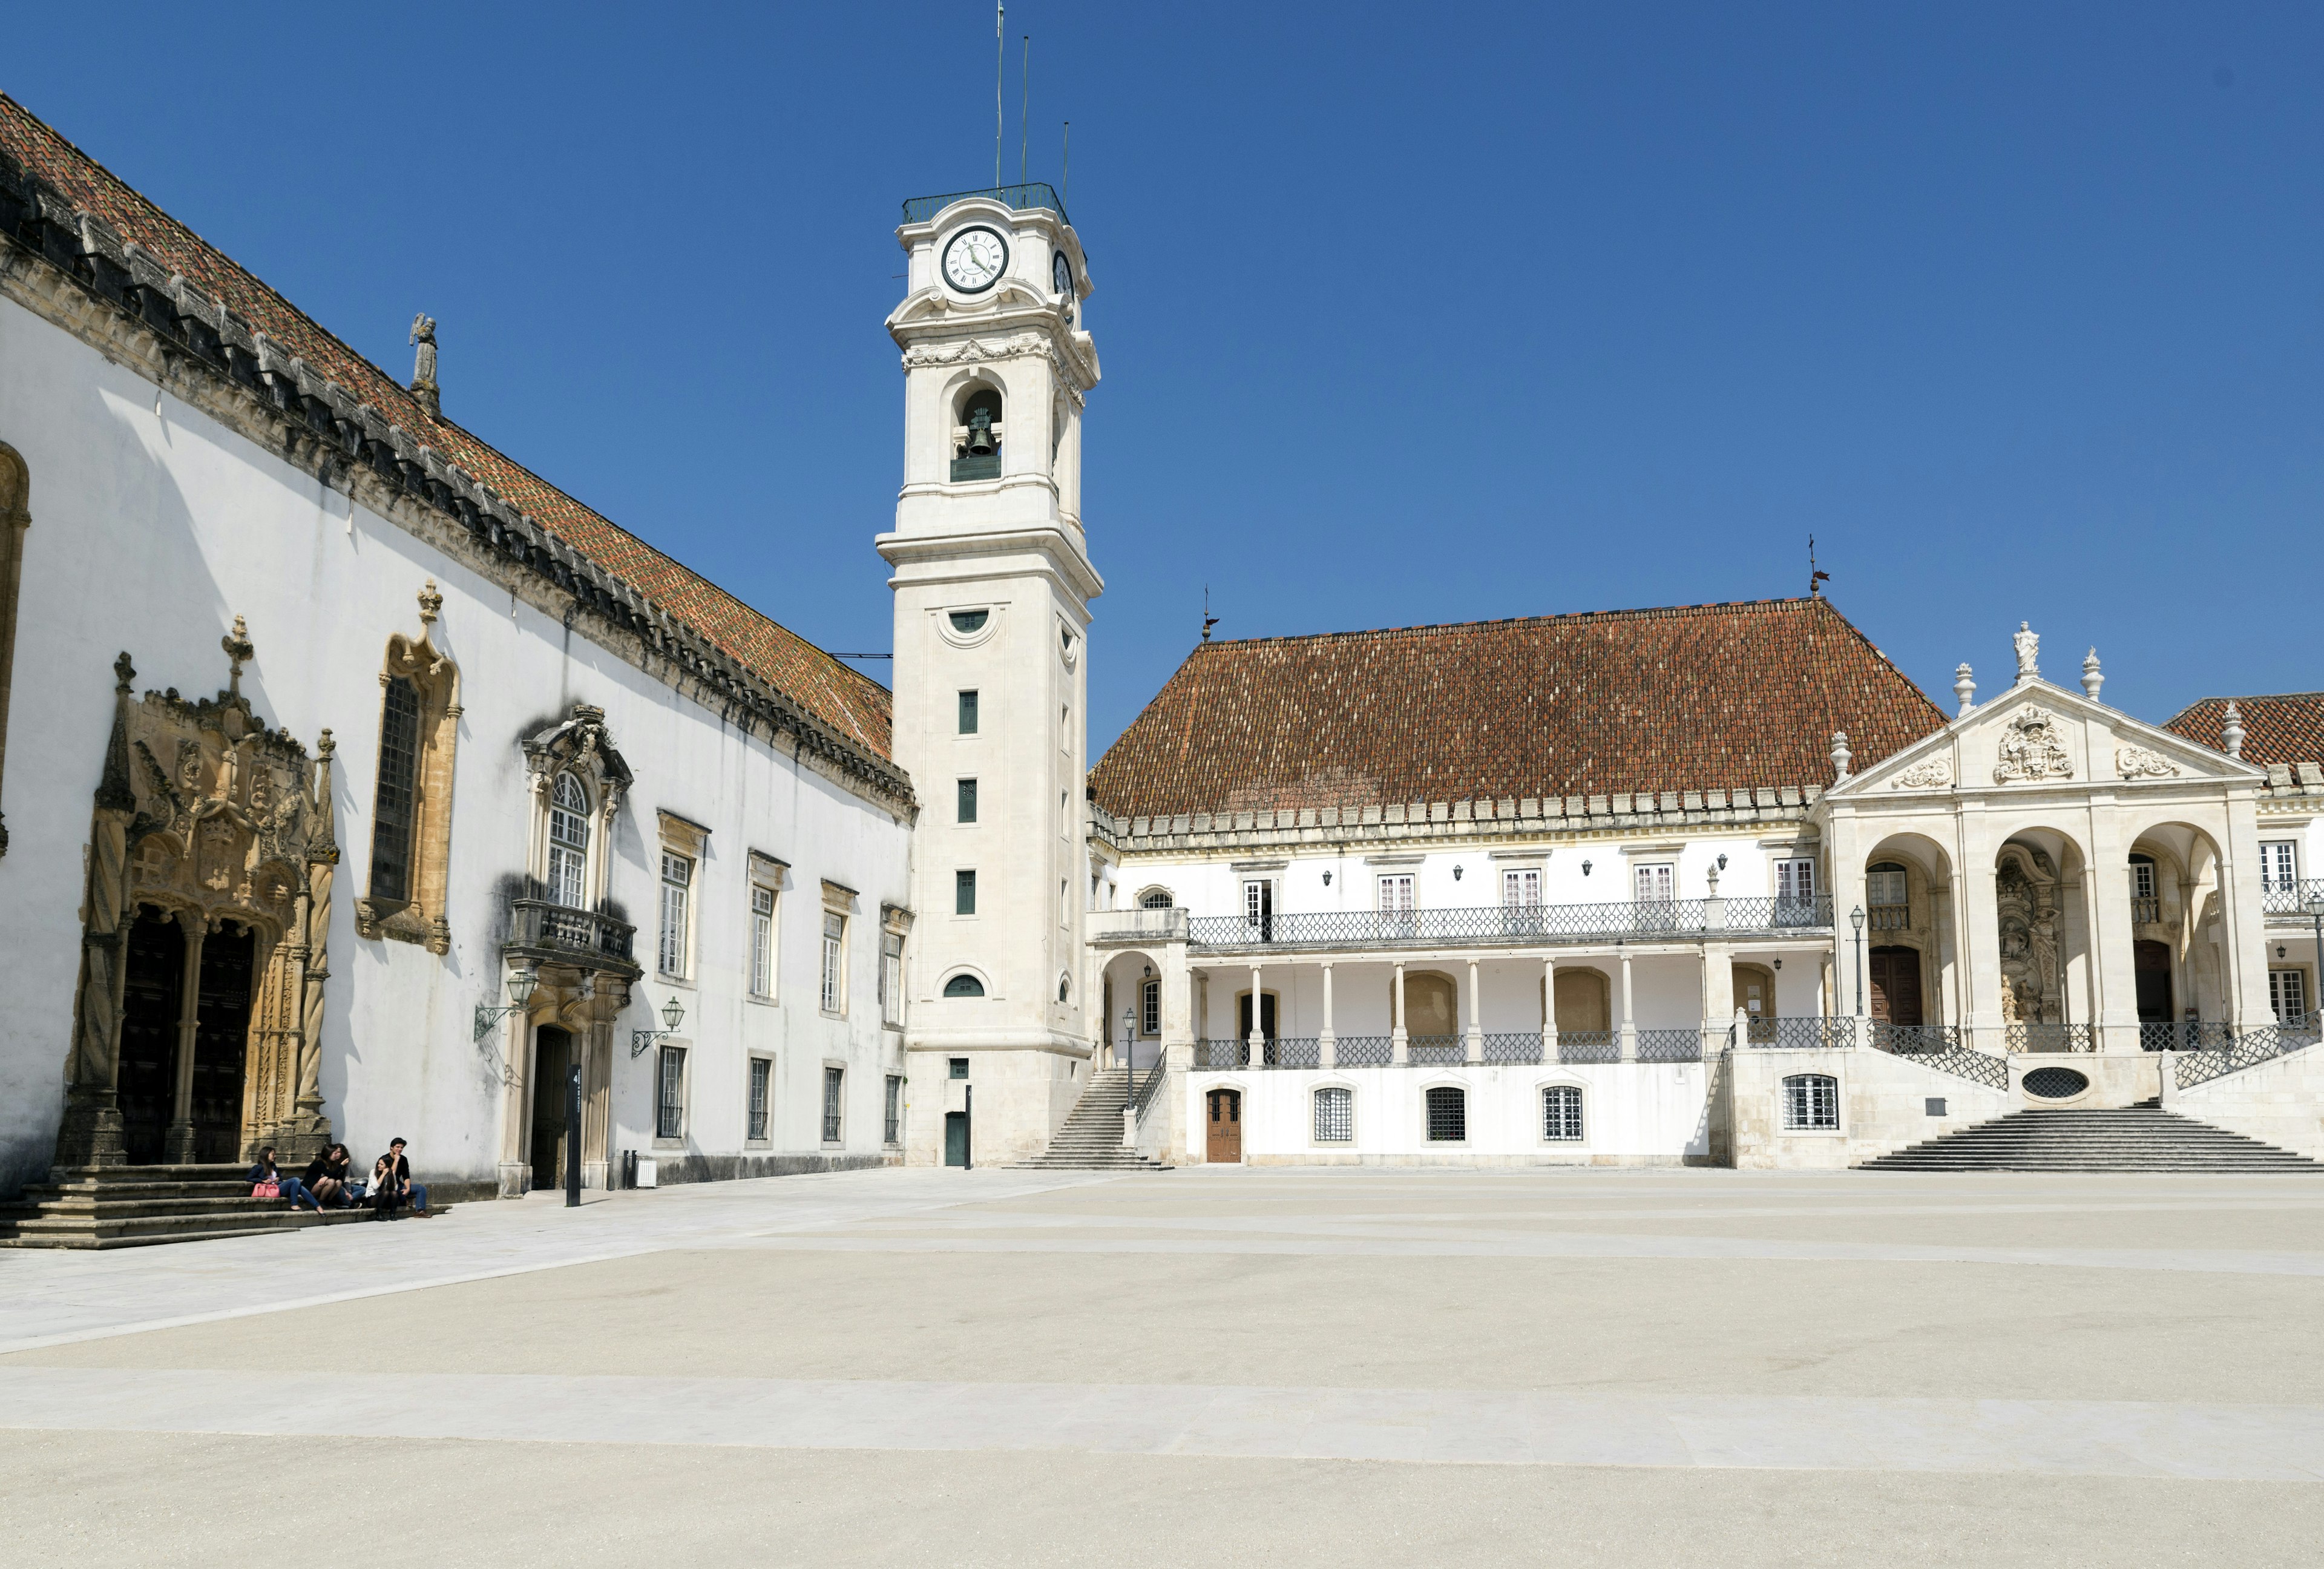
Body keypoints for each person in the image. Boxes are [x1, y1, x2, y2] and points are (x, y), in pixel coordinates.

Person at [371, 1137, 432, 1220]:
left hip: (399, 1184)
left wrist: (408, 1189)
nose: (400, 1149)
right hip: (389, 1185)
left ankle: (420, 1211)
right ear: (391, 1148)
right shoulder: (385, 1159)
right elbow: (390, 1174)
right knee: (394, 1192)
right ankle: (404, 1201)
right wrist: (396, 1161)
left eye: (402, 1148)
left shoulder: (403, 1159)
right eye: (397, 1147)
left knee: (421, 1188)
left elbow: (406, 1176)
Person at [248, 1146, 321, 1212]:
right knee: (296, 1180)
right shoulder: (259, 1167)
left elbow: (281, 1178)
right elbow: (249, 1178)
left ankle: (317, 1206)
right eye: (273, 1154)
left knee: (300, 1187)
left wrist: (278, 1179)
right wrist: (263, 1181)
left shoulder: (273, 1166)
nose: (275, 1156)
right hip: (271, 1189)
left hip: (278, 1186)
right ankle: (295, 1204)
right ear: (266, 1155)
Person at [303, 1143, 355, 1208]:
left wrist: (326, 1177)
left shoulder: (332, 1162)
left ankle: (329, 1201)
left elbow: (337, 1177)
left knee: (339, 1182)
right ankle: (321, 1202)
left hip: (320, 1187)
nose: (336, 1156)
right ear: (329, 1153)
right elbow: (331, 1175)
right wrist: (342, 1165)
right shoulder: (319, 1162)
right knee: (331, 1182)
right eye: (335, 1154)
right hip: (309, 1188)